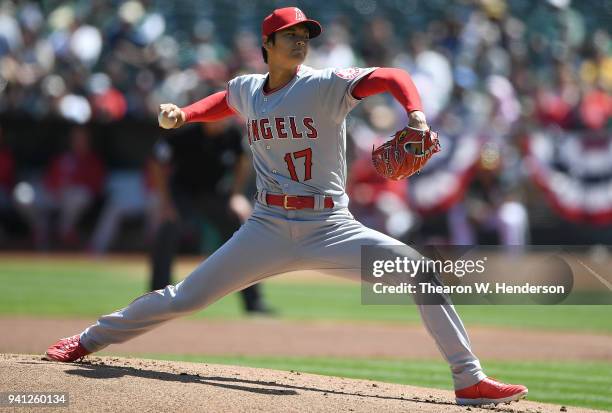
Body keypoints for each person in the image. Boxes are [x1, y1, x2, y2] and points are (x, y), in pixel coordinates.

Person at [45, 7, 527, 406]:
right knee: (186, 297)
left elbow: (393, 75)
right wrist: (185, 113)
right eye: (288, 35)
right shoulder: (249, 88)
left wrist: (416, 114)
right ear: (267, 46)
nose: (299, 42)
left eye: (304, 35)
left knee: (419, 271)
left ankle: (468, 380)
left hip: (330, 225)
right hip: (268, 225)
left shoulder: (324, 85)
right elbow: (225, 100)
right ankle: (88, 340)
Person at [148, 119, 274, 314]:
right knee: (168, 228)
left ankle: (253, 301)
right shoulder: (185, 133)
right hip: (183, 193)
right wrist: (165, 202)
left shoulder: (233, 134)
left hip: (215, 194)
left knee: (244, 231)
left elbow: (243, 161)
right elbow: (157, 161)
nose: (221, 120)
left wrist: (236, 195)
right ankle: (155, 299)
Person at [15, 125, 105, 248]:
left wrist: (69, 187)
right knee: (21, 193)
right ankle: (40, 228)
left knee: (81, 195)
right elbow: (47, 179)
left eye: (81, 139)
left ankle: (64, 229)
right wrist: (55, 187)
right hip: (52, 194)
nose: (78, 142)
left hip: (71, 199)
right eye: (75, 138)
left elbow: (95, 187)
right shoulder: (62, 158)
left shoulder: (93, 161)